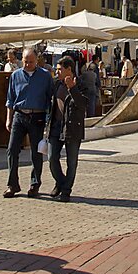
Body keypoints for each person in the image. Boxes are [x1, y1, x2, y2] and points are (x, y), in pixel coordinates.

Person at [4, 49, 54, 198]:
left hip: (37, 116)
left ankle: (35, 184)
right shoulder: (16, 75)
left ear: (37, 60)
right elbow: (10, 99)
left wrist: (48, 119)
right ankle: (12, 185)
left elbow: (50, 98)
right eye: (26, 61)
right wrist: (9, 118)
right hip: (19, 115)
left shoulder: (45, 76)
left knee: (36, 152)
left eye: (31, 62)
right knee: (12, 150)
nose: (28, 64)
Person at [45, 56, 87, 202]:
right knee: (51, 158)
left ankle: (66, 191)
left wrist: (72, 88)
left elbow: (83, 105)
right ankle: (61, 182)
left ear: (69, 69)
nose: (57, 72)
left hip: (72, 127)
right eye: (56, 69)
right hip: (56, 126)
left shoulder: (81, 83)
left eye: (60, 69)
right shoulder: (56, 84)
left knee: (72, 162)